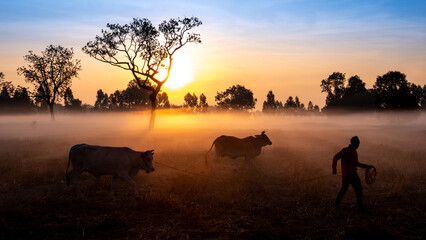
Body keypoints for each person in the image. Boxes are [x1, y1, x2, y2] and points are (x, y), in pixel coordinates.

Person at [332, 136, 373, 212]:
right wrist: (334, 169)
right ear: (354, 143)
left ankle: (359, 208)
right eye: (358, 143)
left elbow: (356, 163)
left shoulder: (354, 152)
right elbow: (335, 158)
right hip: (348, 175)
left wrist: (368, 166)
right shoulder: (345, 150)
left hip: (353, 174)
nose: (358, 145)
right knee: (345, 190)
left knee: (357, 190)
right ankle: (336, 206)